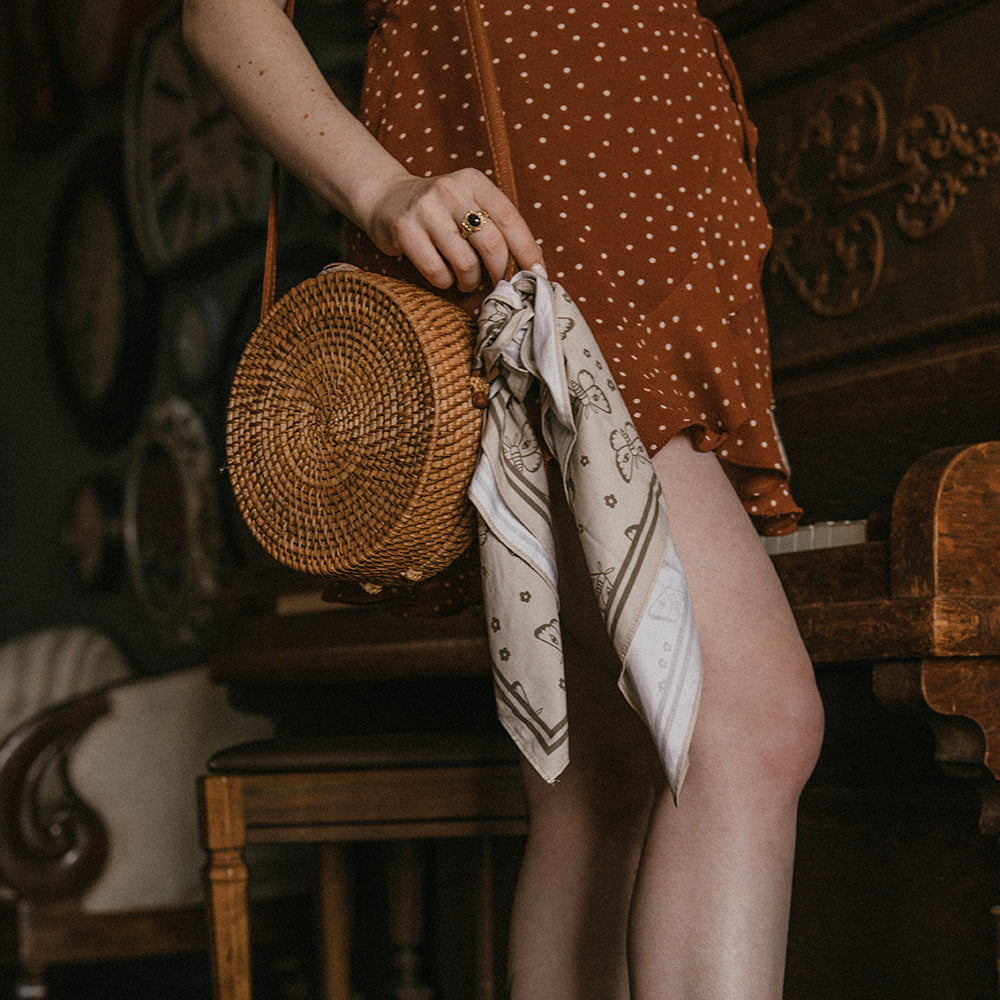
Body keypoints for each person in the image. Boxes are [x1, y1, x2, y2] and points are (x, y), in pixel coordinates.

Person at [182, 1, 825, 997]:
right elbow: (225, 14)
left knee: (600, 773)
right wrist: (383, 188)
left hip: (641, 246)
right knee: (747, 721)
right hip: (540, 236)